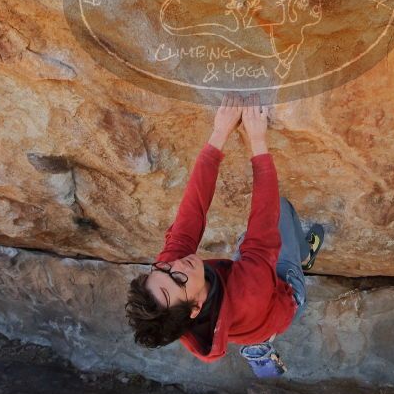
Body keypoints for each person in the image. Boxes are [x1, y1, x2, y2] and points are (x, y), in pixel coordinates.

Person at [125, 93, 324, 363]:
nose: (176, 265)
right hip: (279, 296)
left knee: (247, 256)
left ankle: (257, 343)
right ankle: (303, 258)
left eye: (162, 268)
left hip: (241, 314)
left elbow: (191, 213)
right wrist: (257, 140)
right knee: (280, 210)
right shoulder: (247, 293)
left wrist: (219, 134)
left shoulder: (168, 289)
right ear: (195, 308)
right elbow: (263, 225)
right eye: (178, 280)